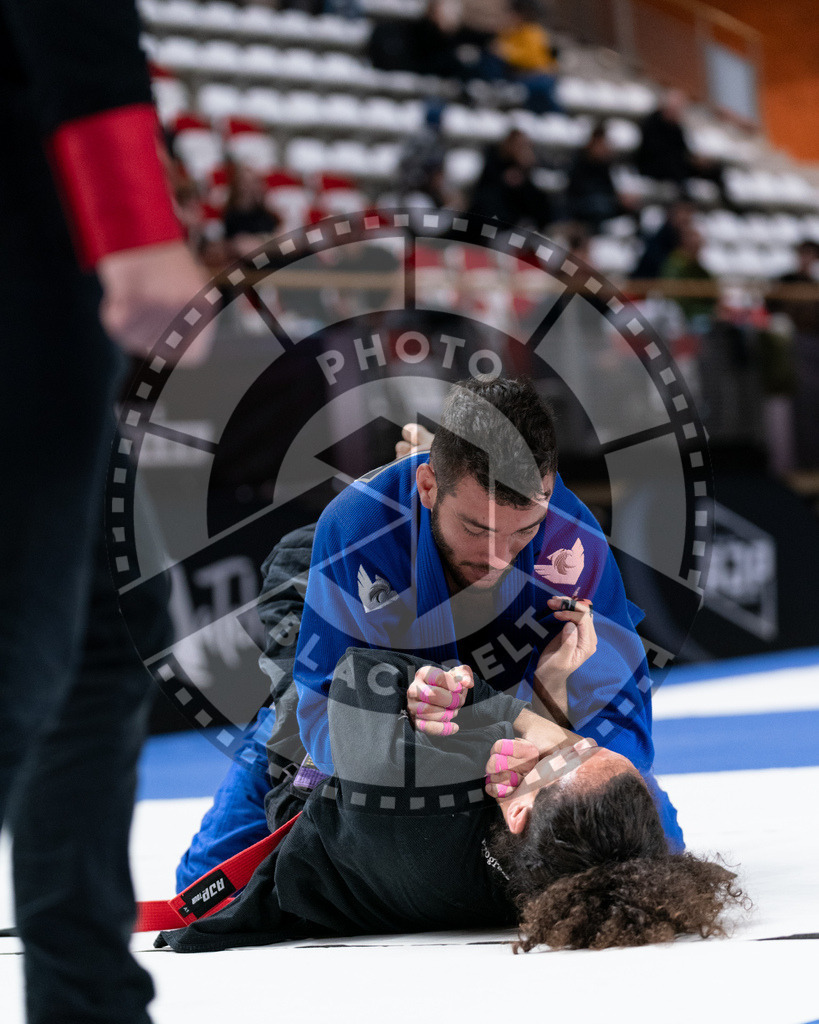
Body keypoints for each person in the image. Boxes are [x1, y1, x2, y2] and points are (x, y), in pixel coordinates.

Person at [176, 377, 685, 888]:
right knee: (202, 886)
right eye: (477, 529)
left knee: (646, 844)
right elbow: (320, 718)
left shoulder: (571, 543)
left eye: (523, 530)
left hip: (512, 719)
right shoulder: (356, 525)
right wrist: (467, 747)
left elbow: (623, 735)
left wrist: (545, 757)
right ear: (428, 486)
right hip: (383, 711)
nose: (499, 556)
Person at [1, 1, 209, 1021]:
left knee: (93, 645)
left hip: (41, 209)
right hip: (30, 228)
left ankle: (87, 1002)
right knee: (21, 652)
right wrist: (137, 228)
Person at [157, 642, 744, 954]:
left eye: (561, 753)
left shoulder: (411, 786)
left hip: (300, 780)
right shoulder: (569, 874)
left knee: (295, 649)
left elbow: (354, 673)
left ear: (515, 809)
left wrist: (509, 714)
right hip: (382, 836)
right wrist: (551, 694)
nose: (571, 740)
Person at [634, 90, 728, 203]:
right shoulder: (651, 124)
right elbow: (653, 152)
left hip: (677, 164)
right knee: (675, 167)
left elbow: (683, 149)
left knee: (715, 169)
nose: (679, 113)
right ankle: (683, 203)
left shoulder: (677, 128)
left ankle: (725, 202)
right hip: (654, 166)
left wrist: (696, 160)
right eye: (676, 109)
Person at [468, 129, 553, 231]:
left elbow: (539, 210)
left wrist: (526, 172)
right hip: (493, 227)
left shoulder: (527, 174)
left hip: (518, 227)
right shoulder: (493, 166)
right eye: (520, 146)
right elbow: (485, 201)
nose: (524, 151)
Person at [565, 123, 636, 232]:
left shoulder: (607, 167)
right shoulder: (578, 166)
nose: (604, 148)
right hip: (584, 214)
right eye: (601, 144)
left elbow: (611, 191)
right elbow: (578, 196)